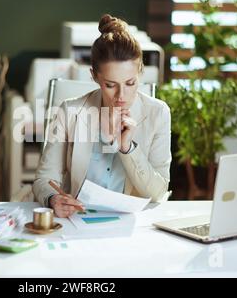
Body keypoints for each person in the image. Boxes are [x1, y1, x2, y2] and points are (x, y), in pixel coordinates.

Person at [32, 14, 172, 218]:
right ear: (94, 76)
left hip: (130, 224)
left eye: (130, 83)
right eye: (110, 85)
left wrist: (127, 148)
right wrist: (54, 199)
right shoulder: (70, 111)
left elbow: (158, 193)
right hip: (78, 220)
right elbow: (44, 179)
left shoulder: (158, 113)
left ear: (140, 72)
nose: (121, 96)